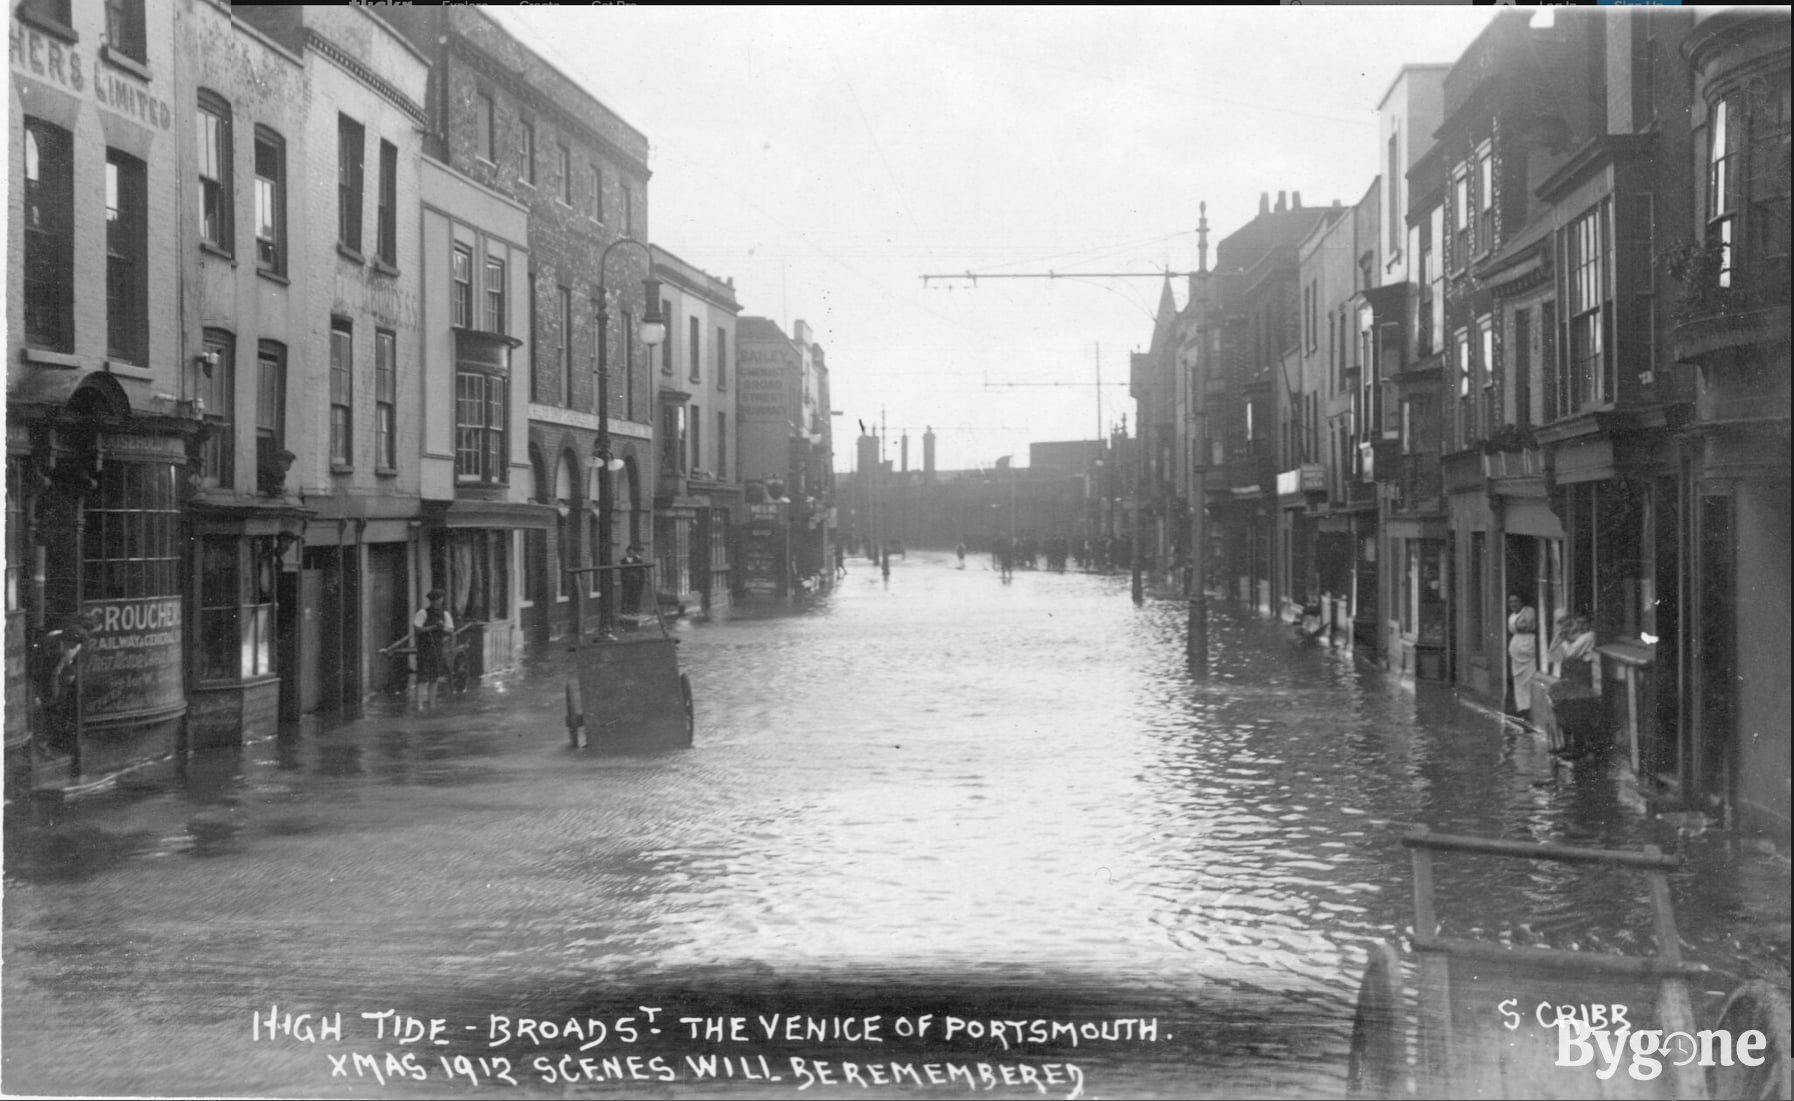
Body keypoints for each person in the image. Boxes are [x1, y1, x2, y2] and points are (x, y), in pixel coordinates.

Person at [1547, 612, 1601, 757]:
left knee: (1578, 711)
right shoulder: (1576, 637)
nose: (1581, 626)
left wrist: (1563, 639)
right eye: (1578, 623)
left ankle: (1579, 747)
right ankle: (1566, 744)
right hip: (1571, 677)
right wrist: (1560, 636)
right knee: (1564, 709)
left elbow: (1570, 652)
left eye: (1584, 623)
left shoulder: (1589, 636)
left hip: (1581, 678)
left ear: (1590, 624)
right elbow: (1554, 656)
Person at [412, 589, 454, 706]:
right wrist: (434, 627)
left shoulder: (445, 614)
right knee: (422, 677)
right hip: (424, 648)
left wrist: (442, 628)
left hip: (437, 648)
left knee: (434, 677)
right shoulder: (423, 613)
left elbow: (450, 631)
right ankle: (420, 705)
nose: (439, 601)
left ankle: (432, 703)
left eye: (440, 599)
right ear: (432, 601)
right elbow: (417, 629)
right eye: (436, 599)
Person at [1506, 592, 1538, 723]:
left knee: (1529, 678)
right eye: (1510, 602)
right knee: (1518, 681)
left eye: (1516, 601)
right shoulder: (1512, 615)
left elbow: (1526, 626)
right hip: (1517, 650)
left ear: (1522, 602)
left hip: (1527, 646)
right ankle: (1522, 708)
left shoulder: (1529, 611)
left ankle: (1530, 707)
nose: (1513, 604)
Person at [621, 544, 647, 615]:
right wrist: (624, 578)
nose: (631, 552)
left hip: (635, 581)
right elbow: (622, 571)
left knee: (634, 595)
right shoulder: (623, 560)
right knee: (626, 595)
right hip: (627, 581)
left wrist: (637, 577)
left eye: (632, 551)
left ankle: (633, 610)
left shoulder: (636, 560)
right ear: (627, 552)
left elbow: (639, 570)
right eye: (629, 551)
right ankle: (625, 610)